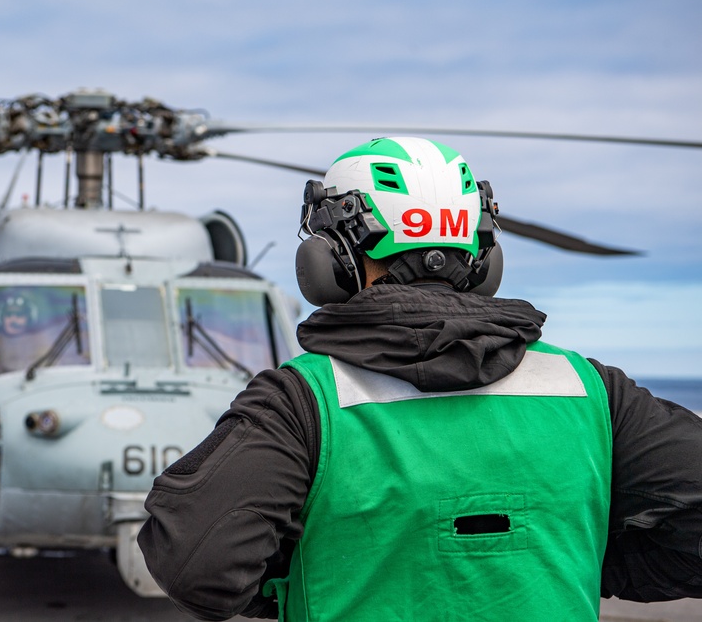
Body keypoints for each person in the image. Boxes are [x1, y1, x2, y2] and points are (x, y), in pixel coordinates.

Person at [137, 137, 702, 621]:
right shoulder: (592, 390)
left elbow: (193, 564)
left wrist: (306, 576)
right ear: (481, 256)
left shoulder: (303, 400)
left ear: (333, 256)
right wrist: (580, 558)